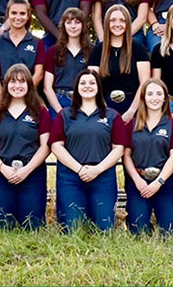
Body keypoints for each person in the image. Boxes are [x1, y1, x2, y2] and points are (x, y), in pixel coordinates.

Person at [50, 69, 126, 231]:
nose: (87, 86)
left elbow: (118, 148)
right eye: (83, 83)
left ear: (99, 87)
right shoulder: (64, 115)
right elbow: (56, 146)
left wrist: (97, 170)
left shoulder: (112, 116)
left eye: (92, 83)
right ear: (76, 87)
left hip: (102, 177)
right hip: (71, 178)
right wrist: (79, 169)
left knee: (104, 229)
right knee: (72, 229)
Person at [0, 65, 51, 229]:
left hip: (32, 172)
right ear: (6, 84)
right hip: (2, 172)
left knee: (32, 226)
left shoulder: (40, 111)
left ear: (29, 84)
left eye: (22, 81)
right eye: (12, 81)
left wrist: (26, 170)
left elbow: (45, 146)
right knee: (2, 225)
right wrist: (2, 168)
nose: (17, 86)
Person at [122, 78, 173, 235]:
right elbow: (126, 155)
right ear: (142, 97)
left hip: (164, 181)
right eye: (149, 94)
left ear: (165, 98)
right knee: (138, 232)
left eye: (158, 93)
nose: (154, 98)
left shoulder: (172, 124)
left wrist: (159, 182)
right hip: (139, 182)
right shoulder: (132, 124)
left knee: (170, 233)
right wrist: (137, 180)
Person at [88, 4, 150, 120]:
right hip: (104, 108)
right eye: (113, 20)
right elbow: (92, 83)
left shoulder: (138, 48)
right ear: (107, 23)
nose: (117, 24)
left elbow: (145, 83)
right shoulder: (97, 50)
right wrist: (104, 110)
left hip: (134, 108)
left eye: (122, 20)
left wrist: (131, 111)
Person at [0, 0, 46, 106]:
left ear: (28, 16)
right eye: (14, 13)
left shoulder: (37, 43)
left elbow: (39, 73)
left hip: (29, 95)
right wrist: (3, 98)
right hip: (1, 95)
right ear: (7, 15)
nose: (18, 17)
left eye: (22, 13)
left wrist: (24, 94)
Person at [43, 8, 92, 119]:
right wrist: (60, 111)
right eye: (69, 22)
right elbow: (47, 87)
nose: (73, 26)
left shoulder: (91, 51)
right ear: (63, 26)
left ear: (83, 25)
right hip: (59, 101)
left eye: (77, 22)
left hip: (84, 101)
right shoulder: (53, 51)